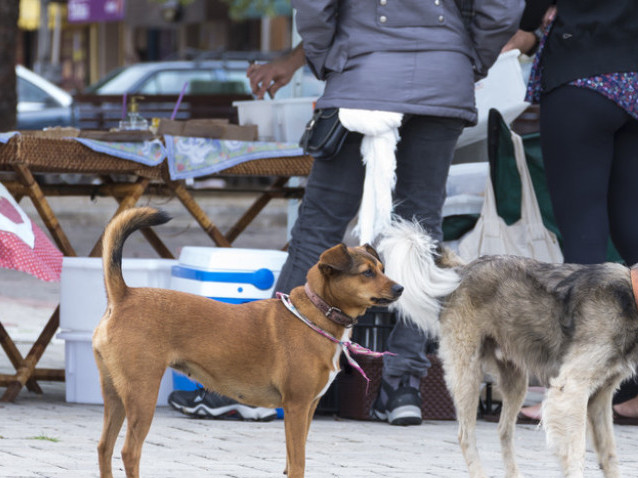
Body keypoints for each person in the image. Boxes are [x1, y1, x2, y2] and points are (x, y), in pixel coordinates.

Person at [171, 1, 523, 425]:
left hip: (362, 80)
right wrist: (462, 58)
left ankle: (261, 382)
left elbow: (316, 6)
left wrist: (329, 58)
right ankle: (404, 388)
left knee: (318, 231)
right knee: (419, 236)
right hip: (442, 81)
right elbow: (503, 8)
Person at [511, 0, 638, 427]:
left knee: (584, 239)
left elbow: (528, 13)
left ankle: (573, 393)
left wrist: (529, 23)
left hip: (584, 73)